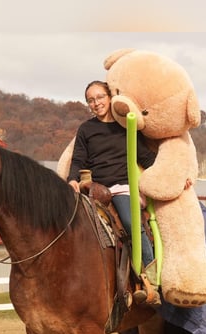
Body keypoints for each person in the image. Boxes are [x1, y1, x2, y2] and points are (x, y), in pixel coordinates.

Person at [67, 80, 158, 303]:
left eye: (99, 97)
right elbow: (79, 158)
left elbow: (146, 158)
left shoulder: (125, 127)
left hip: (121, 187)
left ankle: (151, 278)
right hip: (95, 189)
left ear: (110, 97)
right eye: (90, 100)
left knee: (129, 222)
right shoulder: (86, 129)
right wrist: (72, 179)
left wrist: (172, 172)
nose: (96, 103)